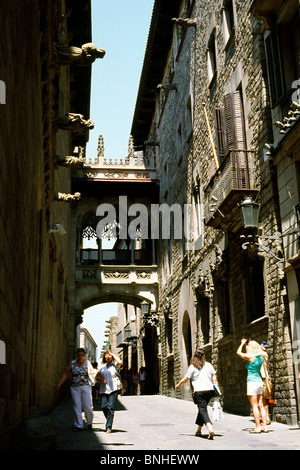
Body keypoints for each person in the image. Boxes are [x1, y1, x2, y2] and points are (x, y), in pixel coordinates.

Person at [175, 348, 219, 440]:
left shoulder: (193, 367)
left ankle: (210, 428)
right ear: (203, 356)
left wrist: (178, 384)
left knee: (202, 409)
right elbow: (214, 379)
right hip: (209, 391)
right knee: (202, 408)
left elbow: (186, 379)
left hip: (199, 392)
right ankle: (198, 430)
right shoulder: (209, 365)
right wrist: (217, 390)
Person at [56, 348, 98, 432]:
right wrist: (59, 384)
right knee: (76, 406)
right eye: (78, 355)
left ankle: (89, 422)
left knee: (87, 406)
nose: (80, 357)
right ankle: (78, 425)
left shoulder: (87, 363)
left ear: (84, 355)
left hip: (85, 386)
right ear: (76, 355)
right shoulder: (72, 363)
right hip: (75, 388)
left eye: (82, 355)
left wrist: (98, 376)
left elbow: (92, 372)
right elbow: (66, 374)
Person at [237, 339, 268, 433]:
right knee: (261, 405)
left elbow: (238, 352)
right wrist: (248, 345)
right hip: (259, 382)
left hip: (252, 382)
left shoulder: (250, 357)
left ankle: (258, 427)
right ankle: (265, 427)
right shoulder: (261, 357)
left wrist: (242, 343)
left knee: (254, 406)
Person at [96, 350, 122, 433]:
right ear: (104, 357)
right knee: (103, 406)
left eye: (109, 355)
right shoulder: (101, 366)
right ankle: (109, 419)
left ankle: (108, 427)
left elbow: (120, 361)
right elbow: (96, 377)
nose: (108, 357)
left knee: (111, 407)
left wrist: (113, 354)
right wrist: (101, 379)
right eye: (106, 355)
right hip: (104, 389)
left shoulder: (114, 365)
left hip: (113, 389)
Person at [260, 341, 271, 424]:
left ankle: (266, 417)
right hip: (262, 376)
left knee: (264, 398)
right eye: (263, 346)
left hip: (263, 377)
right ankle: (265, 417)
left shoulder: (263, 354)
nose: (265, 348)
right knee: (263, 398)